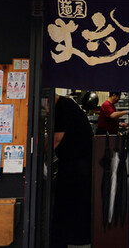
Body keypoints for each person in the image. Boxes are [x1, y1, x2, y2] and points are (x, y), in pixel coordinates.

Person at [52, 95, 98, 248]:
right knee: (77, 202)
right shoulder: (66, 105)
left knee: (72, 202)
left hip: (77, 165)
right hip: (79, 162)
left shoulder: (63, 107)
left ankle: (72, 238)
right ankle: (74, 237)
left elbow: (56, 139)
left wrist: (40, 153)